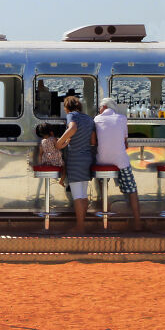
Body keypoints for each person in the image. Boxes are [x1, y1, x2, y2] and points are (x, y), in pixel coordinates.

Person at [93, 97, 142, 231]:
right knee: (132, 189)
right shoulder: (122, 118)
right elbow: (125, 143)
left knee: (102, 183)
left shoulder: (96, 119)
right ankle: (137, 222)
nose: (98, 110)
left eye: (100, 107)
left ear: (104, 107)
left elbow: (94, 141)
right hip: (121, 160)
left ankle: (105, 216)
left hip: (102, 161)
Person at [56, 95, 95, 233]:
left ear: (67, 107)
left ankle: (80, 227)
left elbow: (72, 128)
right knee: (83, 195)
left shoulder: (72, 116)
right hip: (87, 158)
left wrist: (60, 142)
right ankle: (82, 225)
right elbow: (93, 141)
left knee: (77, 196)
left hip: (75, 159)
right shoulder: (89, 119)